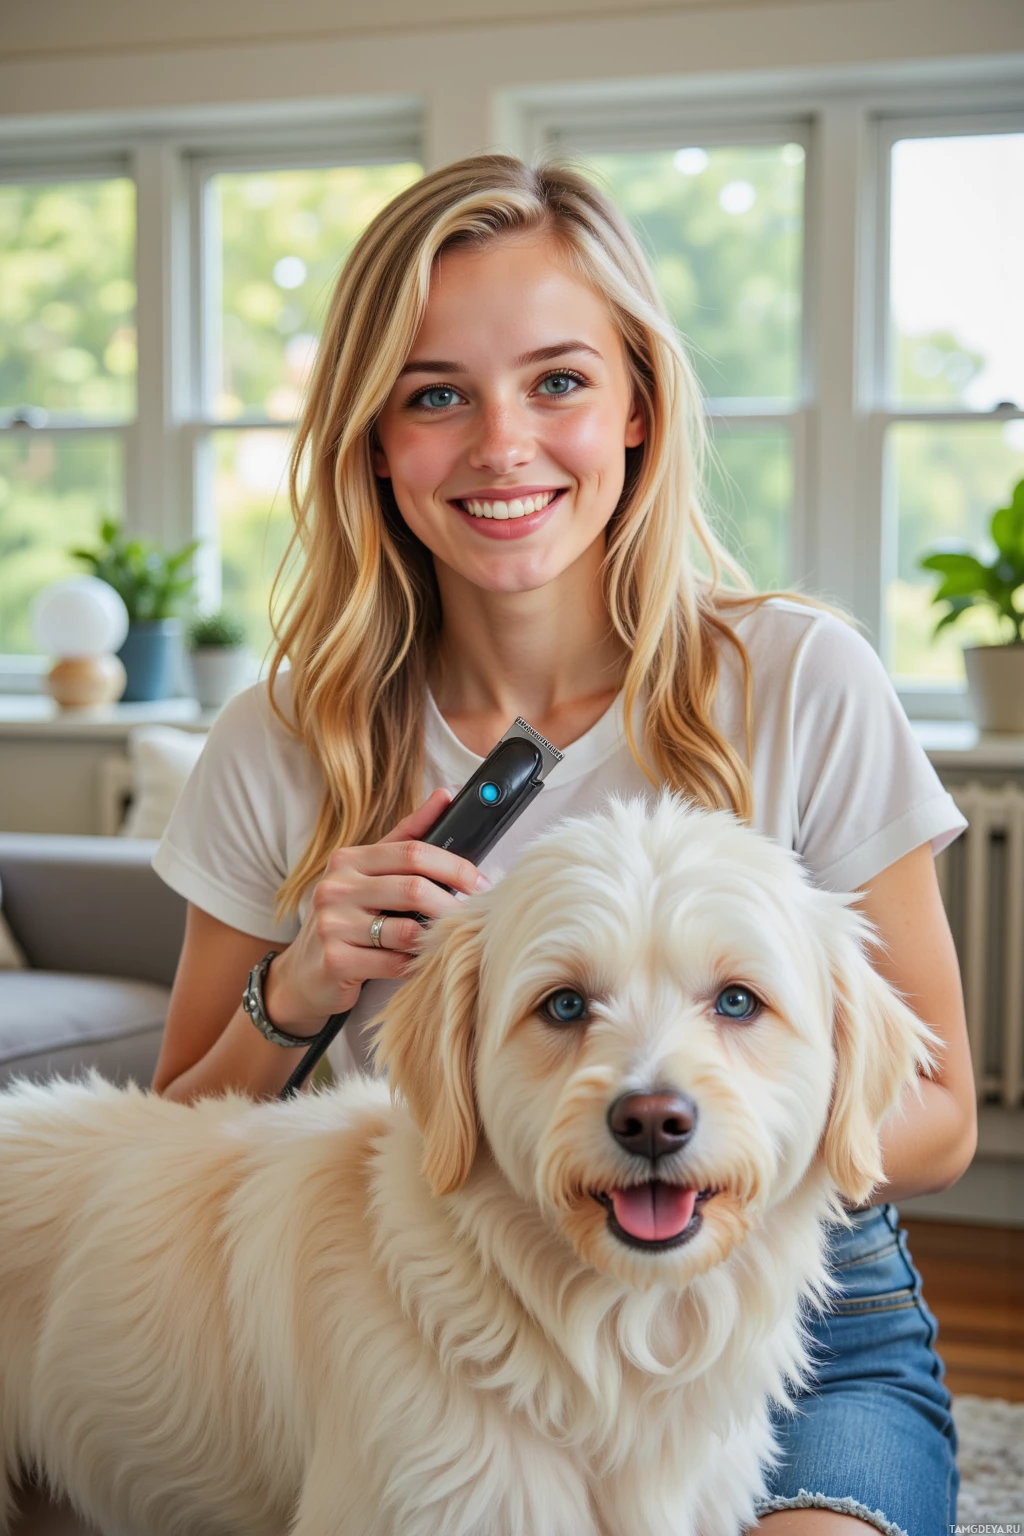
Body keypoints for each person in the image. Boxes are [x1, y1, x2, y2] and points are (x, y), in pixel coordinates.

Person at [151, 155, 977, 1535]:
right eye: (436, 395)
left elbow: (941, 1117)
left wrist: (710, 1149)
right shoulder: (284, 741)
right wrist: (298, 988)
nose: (501, 445)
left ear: (637, 406)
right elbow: (173, 1141)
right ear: (374, 439)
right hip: (455, 1305)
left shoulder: (800, 680)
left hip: (806, 1307)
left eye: (557, 381)